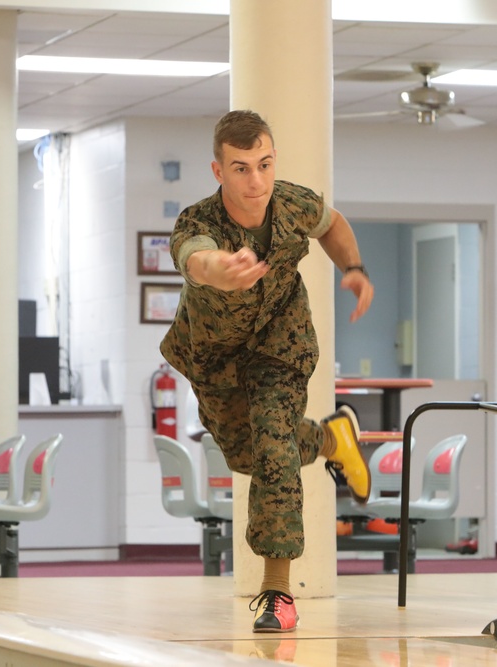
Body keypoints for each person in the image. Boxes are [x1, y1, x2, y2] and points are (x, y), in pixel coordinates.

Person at [160, 110, 375, 633]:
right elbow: (196, 260)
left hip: (281, 344)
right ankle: (330, 439)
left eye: (264, 164)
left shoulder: (293, 202)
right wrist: (221, 272)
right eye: (240, 168)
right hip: (214, 360)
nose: (255, 181)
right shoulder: (198, 222)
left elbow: (332, 224)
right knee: (247, 455)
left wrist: (353, 268)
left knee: (274, 447)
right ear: (218, 171)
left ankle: (276, 593)